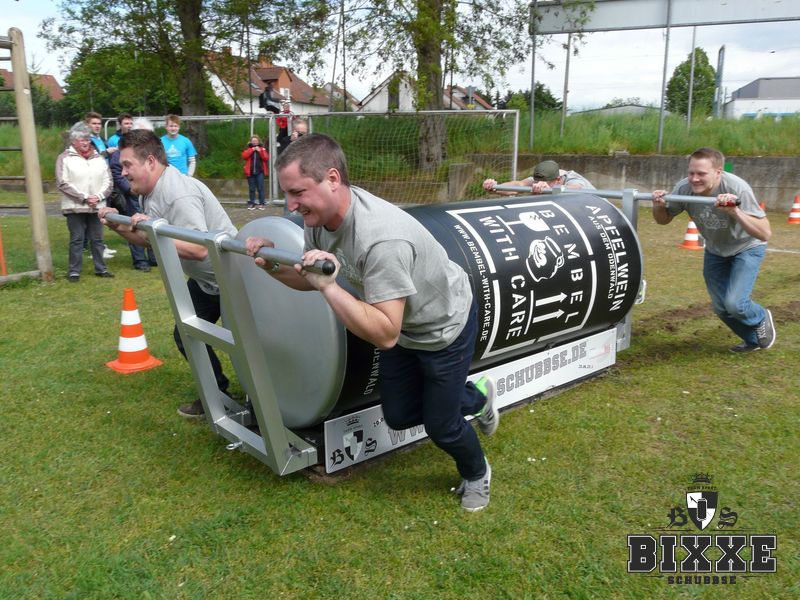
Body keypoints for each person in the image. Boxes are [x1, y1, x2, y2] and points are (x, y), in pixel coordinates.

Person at [244, 134, 500, 512]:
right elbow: (310, 279)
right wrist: (270, 265)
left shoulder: (381, 239)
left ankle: (477, 473)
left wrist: (329, 287)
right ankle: (476, 398)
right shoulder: (320, 220)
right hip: (404, 326)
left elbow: (385, 334)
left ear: (332, 179)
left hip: (444, 326)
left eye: (298, 192)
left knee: (442, 425)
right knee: (398, 415)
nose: (291, 204)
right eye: (287, 193)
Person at [99, 129, 237, 417]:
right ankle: (219, 396)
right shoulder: (151, 192)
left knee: (248, 344)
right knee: (187, 335)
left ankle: (271, 403)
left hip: (234, 279)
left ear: (150, 161)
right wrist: (117, 226)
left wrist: (152, 231)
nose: (123, 172)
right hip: (207, 281)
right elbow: (151, 241)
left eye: (127, 165)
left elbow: (199, 249)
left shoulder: (177, 193)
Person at [652, 147, 775, 353]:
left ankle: (760, 317)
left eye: (701, 174)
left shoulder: (737, 188)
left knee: (735, 304)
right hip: (716, 251)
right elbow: (663, 220)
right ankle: (753, 340)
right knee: (720, 307)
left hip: (746, 247)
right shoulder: (684, 188)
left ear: (718, 172)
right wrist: (658, 205)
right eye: (691, 172)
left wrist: (734, 211)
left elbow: (764, 233)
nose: (694, 179)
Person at [56, 121, 114, 282]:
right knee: (77, 239)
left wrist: (99, 196)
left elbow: (108, 181)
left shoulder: (99, 158)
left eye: (88, 139)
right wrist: (84, 198)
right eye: (82, 139)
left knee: (98, 239)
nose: (86, 143)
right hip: (74, 207)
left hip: (97, 206)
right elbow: (62, 182)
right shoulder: (64, 158)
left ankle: (101, 269)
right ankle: (74, 271)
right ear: (73, 141)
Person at [108, 117, 159, 271]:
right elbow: (117, 172)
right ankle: (140, 260)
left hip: (151, 194)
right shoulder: (122, 152)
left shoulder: (154, 152)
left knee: (153, 223)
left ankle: (155, 257)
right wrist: (130, 189)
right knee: (134, 225)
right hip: (132, 195)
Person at [483, 159, 594, 196]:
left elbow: (575, 188)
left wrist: (549, 189)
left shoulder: (573, 180)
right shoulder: (542, 178)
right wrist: (495, 187)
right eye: (537, 181)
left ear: (558, 180)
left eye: (545, 182)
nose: (538, 184)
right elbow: (519, 185)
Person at [241, 134, 269, 210]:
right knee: (252, 189)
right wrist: (252, 150)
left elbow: (266, 158)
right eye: (253, 141)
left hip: (260, 172)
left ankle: (262, 204)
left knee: (260, 188)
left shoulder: (262, 149)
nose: (254, 142)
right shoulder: (248, 149)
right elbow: (244, 156)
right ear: (251, 142)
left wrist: (260, 151)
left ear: (258, 141)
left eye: (256, 141)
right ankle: (252, 204)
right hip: (250, 172)